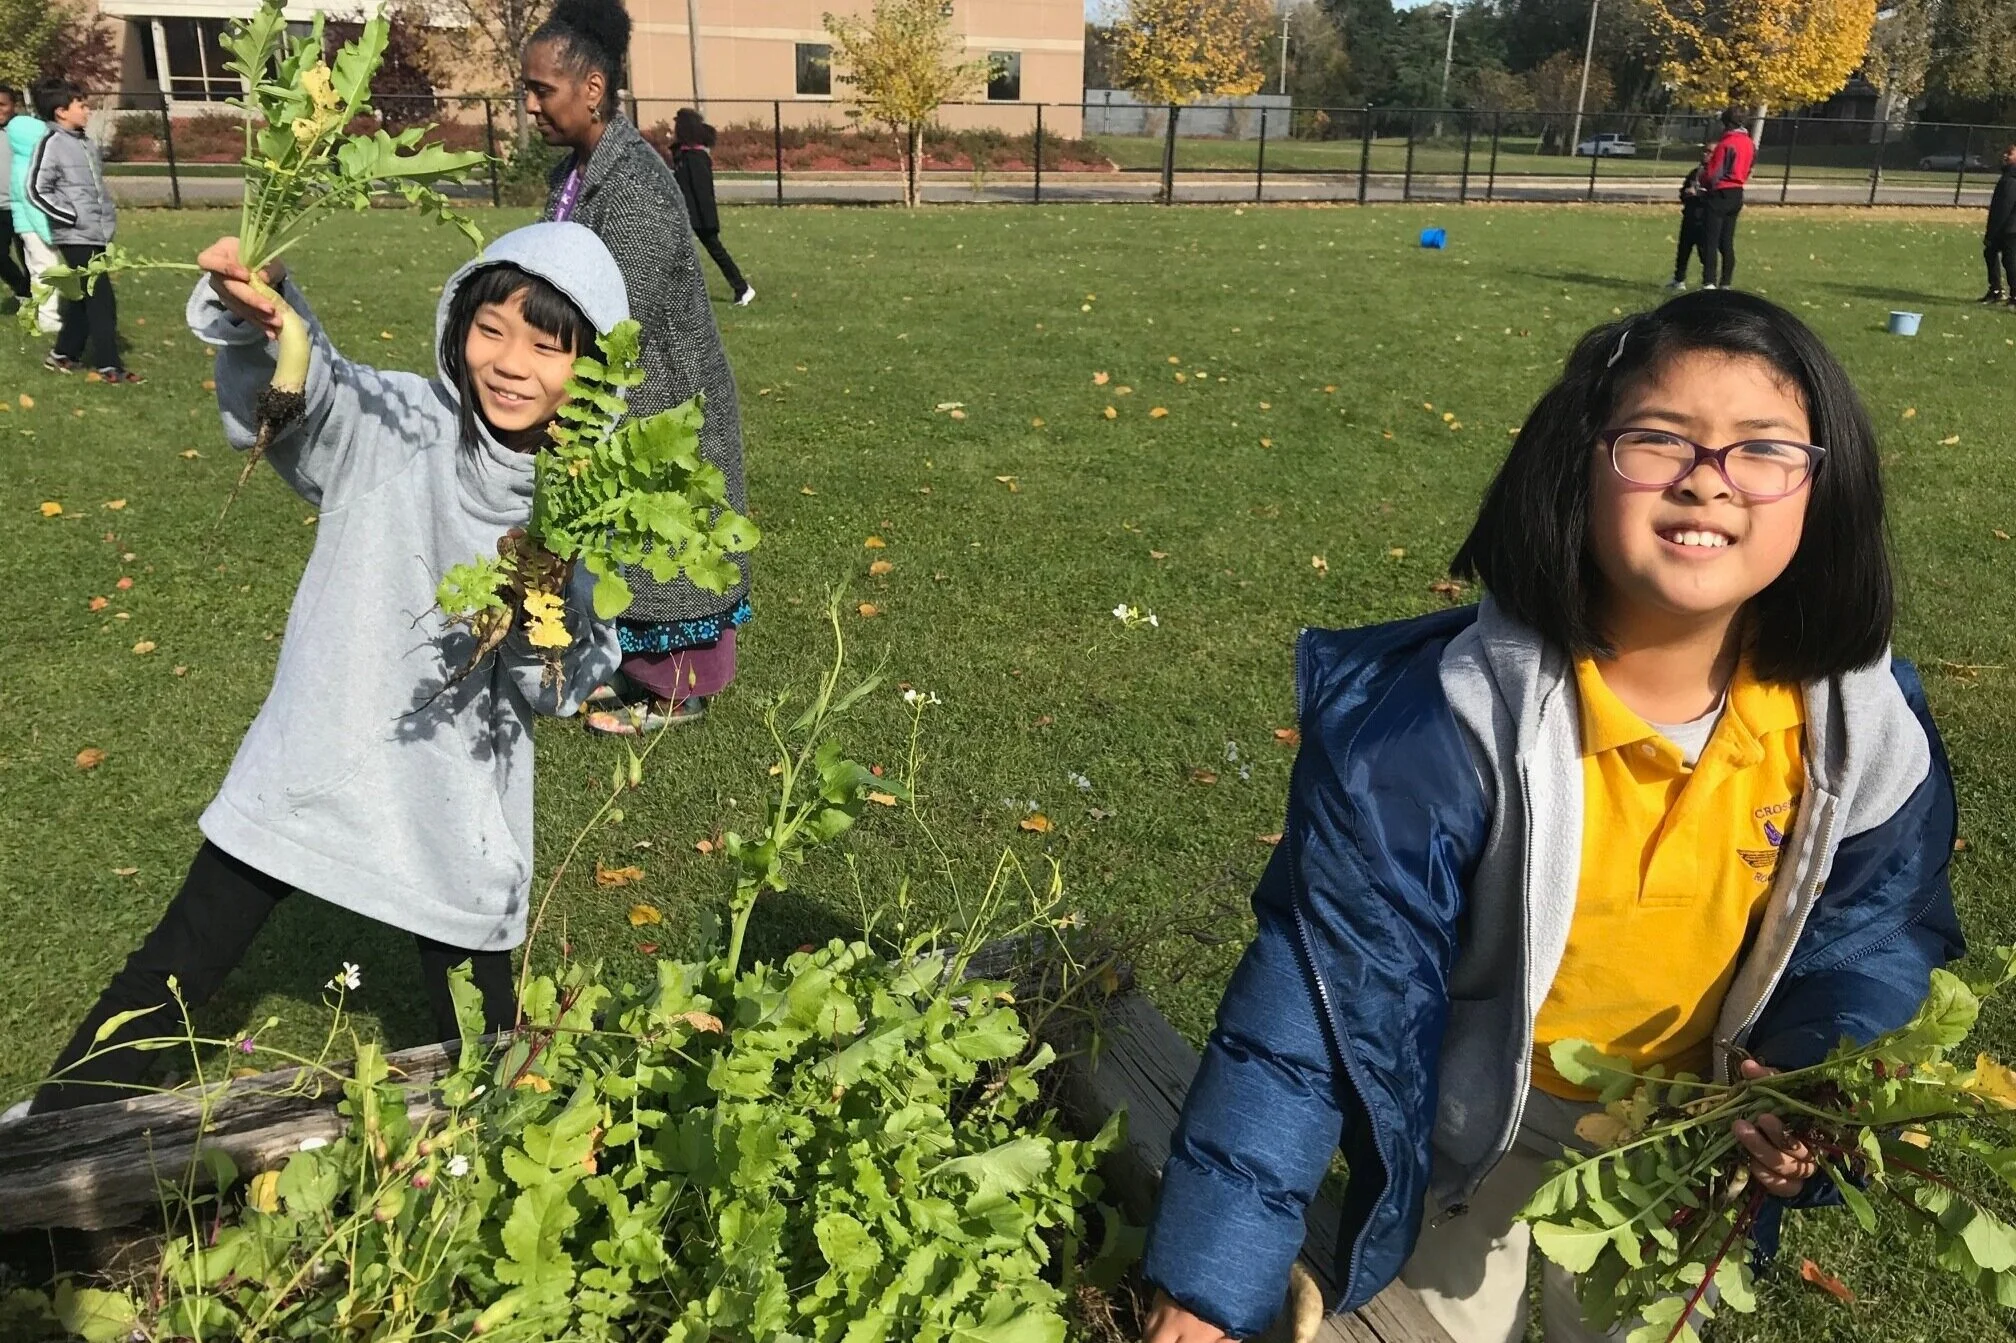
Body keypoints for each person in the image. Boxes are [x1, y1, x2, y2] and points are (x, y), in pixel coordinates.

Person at [1139, 291, 1964, 1343]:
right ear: (1577, 462)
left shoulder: (1859, 731)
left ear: (1825, 488)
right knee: (1425, 1324)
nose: (1708, 476)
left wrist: (1810, 1072)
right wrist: (1209, 1285)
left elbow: (1875, 935)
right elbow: (1309, 1001)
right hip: (1472, 1113)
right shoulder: (1440, 728)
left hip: (1679, 1138)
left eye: (1763, 447)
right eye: (1660, 438)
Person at [22, 221, 628, 1114]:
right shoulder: (404, 428)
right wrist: (262, 316)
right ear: (459, 324)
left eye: (547, 347)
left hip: (453, 791)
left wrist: (545, 595)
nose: (509, 363)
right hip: (319, 749)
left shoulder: (587, 503)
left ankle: (499, 1155)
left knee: (487, 1040)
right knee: (177, 962)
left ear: (597, 369)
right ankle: (45, 1145)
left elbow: (553, 686)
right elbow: (320, 393)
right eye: (491, 329)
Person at [521, 0, 752, 735]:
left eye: (542, 90)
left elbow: (615, 316)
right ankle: (631, 669)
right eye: (526, 90)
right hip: (613, 396)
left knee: (669, 547)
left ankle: (677, 694)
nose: (530, 106)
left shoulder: (636, 188)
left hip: (665, 400)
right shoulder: (576, 173)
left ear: (592, 89)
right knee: (627, 547)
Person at [27, 80, 137, 382]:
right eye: (82, 106)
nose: (88, 111)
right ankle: (109, 366)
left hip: (96, 233)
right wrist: (70, 216)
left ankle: (64, 354)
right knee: (102, 299)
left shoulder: (85, 143)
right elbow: (36, 189)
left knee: (82, 297)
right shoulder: (51, 143)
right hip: (74, 235)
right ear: (61, 111)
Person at [671, 107, 754, 306]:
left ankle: (742, 288)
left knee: (716, 251)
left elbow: (702, 191)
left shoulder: (696, 157)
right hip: (687, 215)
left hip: (699, 217)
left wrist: (707, 221)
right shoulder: (684, 155)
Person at [6, 87, 60, 335]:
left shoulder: (24, 160)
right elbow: (32, 203)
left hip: (29, 222)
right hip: (31, 224)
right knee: (44, 270)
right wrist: (49, 234)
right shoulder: (28, 168)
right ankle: (47, 316)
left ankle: (42, 310)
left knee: (38, 267)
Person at [1697, 107, 1754, 290]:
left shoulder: (1727, 143)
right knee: (1727, 241)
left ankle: (1709, 282)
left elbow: (1714, 173)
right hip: (1737, 192)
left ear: (1727, 123)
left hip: (1721, 193)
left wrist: (1703, 181)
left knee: (1711, 240)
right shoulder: (1749, 143)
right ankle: (1726, 283)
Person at [0, 87, 31, 309]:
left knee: (29, 256)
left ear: (14, 106)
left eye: (2, 105)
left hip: (23, 206)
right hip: (0, 208)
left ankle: (37, 297)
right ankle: (22, 288)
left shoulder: (24, 132)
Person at [1666, 145, 1710, 292]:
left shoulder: (1715, 174)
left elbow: (1716, 196)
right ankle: (1679, 279)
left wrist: (1699, 194)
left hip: (1705, 218)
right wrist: (1686, 193)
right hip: (1690, 216)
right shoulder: (1695, 172)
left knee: (1705, 252)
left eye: (1710, 152)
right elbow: (1683, 191)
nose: (1705, 154)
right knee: (1683, 250)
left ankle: (1708, 282)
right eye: (1704, 151)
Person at [1980, 142, 2016, 305]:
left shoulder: (2011, 179)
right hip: (2007, 227)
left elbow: (2003, 208)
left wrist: (1991, 233)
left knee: (2010, 261)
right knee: (1990, 253)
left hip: (2010, 228)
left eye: (2010, 153)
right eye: (2005, 152)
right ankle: (1995, 290)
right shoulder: (2008, 176)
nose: (2005, 155)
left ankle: (2014, 295)